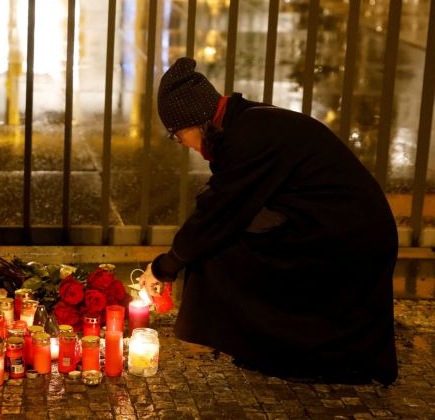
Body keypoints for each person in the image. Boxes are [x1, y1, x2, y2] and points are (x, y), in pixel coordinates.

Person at [138, 57, 398, 385]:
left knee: (218, 255)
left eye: (176, 135)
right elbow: (225, 206)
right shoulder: (243, 123)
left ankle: (286, 352)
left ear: (196, 121)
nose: (181, 144)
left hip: (349, 239)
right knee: (223, 246)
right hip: (334, 227)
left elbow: (217, 215)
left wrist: (165, 266)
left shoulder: (246, 137)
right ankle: (270, 348)